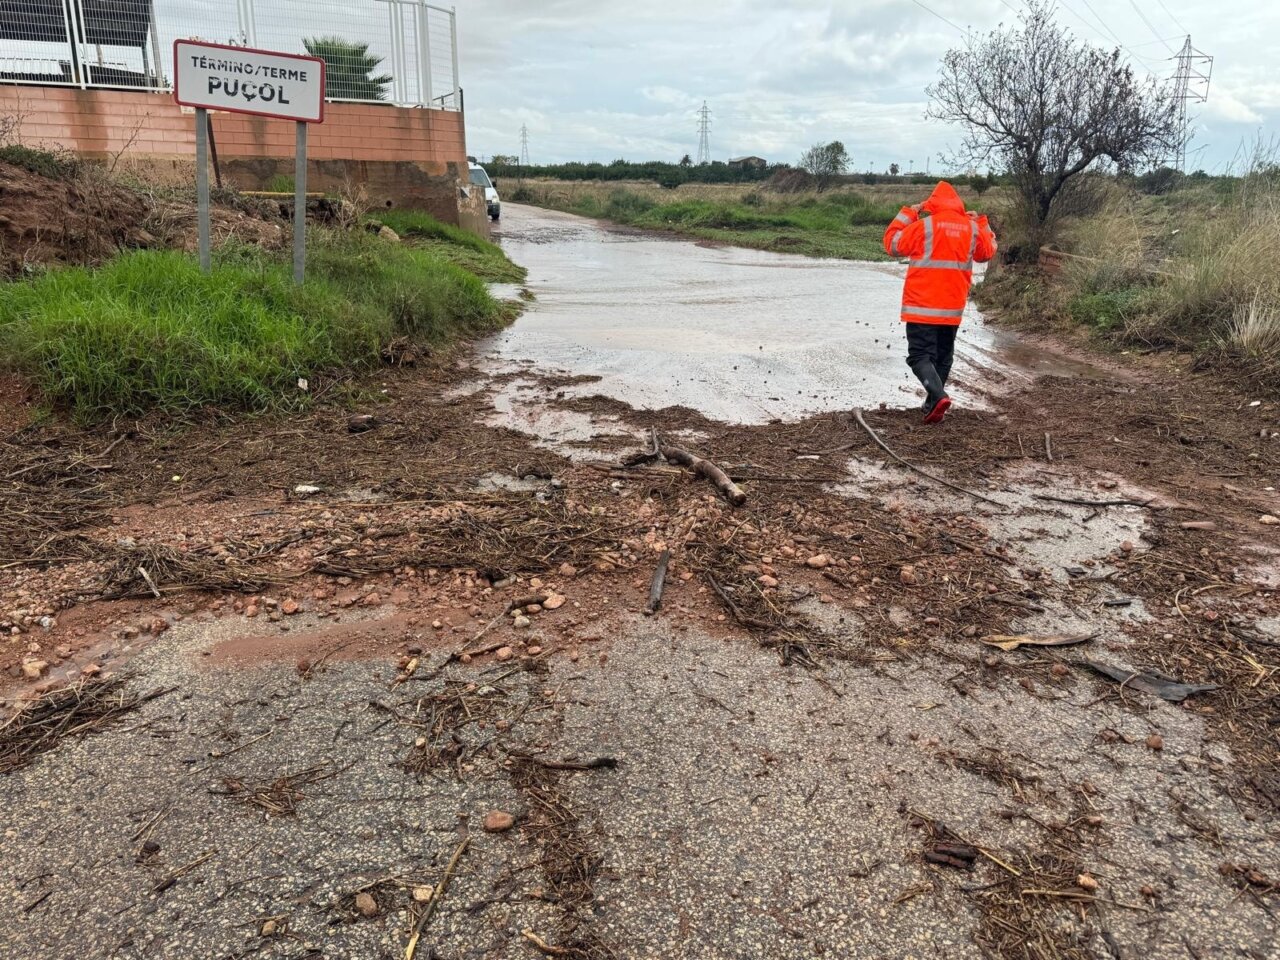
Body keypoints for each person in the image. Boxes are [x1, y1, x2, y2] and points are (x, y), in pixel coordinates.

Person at [882, 181, 997, 424]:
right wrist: (982, 223)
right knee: (943, 357)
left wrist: (908, 213)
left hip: (922, 306)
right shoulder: (971, 229)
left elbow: (892, 244)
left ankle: (939, 396)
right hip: (951, 308)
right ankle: (933, 405)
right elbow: (987, 253)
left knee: (919, 356)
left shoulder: (924, 226)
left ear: (932, 204)